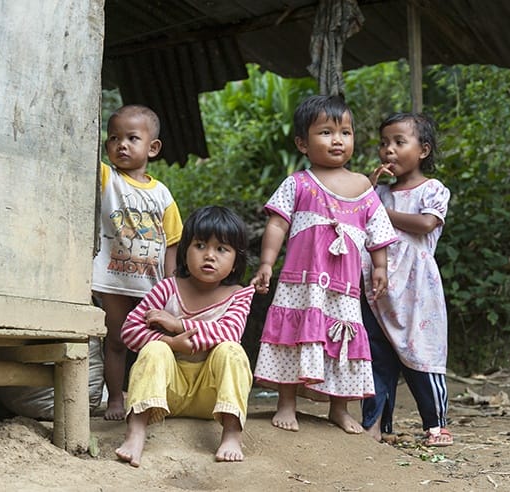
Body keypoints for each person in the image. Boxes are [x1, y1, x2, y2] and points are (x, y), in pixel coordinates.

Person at [250, 95, 397, 434]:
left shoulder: (363, 186)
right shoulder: (298, 183)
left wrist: (380, 268)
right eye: (326, 132)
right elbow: (277, 224)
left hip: (343, 288)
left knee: (342, 341)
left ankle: (339, 407)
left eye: (345, 132)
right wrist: (267, 263)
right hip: (300, 284)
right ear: (303, 143)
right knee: (293, 336)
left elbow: (378, 231)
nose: (337, 140)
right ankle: (286, 402)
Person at [114, 205, 255, 466]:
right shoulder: (168, 288)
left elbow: (230, 331)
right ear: (185, 251)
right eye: (200, 246)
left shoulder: (239, 294)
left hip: (211, 396)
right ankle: (136, 432)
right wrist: (169, 342)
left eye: (221, 249)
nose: (209, 256)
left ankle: (233, 433)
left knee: (232, 351)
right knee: (155, 350)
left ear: (237, 259)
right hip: (168, 393)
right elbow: (129, 330)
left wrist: (178, 324)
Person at [360, 112, 453, 447]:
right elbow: (357, 221)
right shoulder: (379, 193)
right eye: (384, 143)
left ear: (423, 150)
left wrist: (378, 209)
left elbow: (426, 224)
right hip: (376, 288)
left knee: (421, 352)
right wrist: (368, 191)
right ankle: (375, 425)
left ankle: (436, 425)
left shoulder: (433, 189)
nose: (389, 150)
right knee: (376, 356)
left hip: (417, 290)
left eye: (400, 142)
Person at [92, 104, 184, 420]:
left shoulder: (162, 195)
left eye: (132, 138)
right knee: (116, 342)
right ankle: (116, 399)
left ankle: (149, 398)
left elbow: (172, 243)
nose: (122, 145)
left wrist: (171, 285)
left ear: (152, 147)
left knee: (150, 344)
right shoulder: (107, 179)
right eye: (114, 138)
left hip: (151, 286)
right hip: (114, 281)